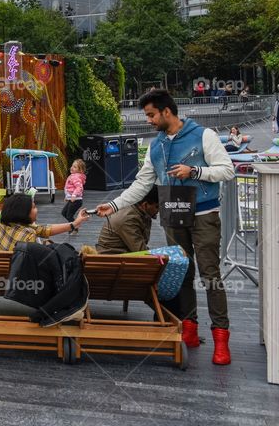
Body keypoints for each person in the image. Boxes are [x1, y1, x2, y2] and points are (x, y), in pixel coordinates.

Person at [95, 88, 235, 365]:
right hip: (172, 216)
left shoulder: (203, 135)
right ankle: (188, 328)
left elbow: (227, 169)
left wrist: (195, 172)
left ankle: (221, 339)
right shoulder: (156, 146)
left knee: (210, 274)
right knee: (182, 271)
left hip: (204, 214)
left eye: (150, 115)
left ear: (166, 112)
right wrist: (113, 206)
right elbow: (142, 183)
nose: (148, 120)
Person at [0, 192, 91, 251]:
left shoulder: (3, 224)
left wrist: (75, 223)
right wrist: (47, 244)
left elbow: (44, 230)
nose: (37, 210)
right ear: (24, 213)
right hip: (16, 281)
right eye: (34, 207)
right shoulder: (28, 235)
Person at [95, 186, 160, 254]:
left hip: (122, 254)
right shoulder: (129, 219)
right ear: (145, 205)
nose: (159, 210)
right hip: (113, 258)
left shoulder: (140, 211)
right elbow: (141, 251)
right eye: (157, 207)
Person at [60, 159, 86, 226]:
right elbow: (69, 188)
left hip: (76, 200)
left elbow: (79, 187)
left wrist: (74, 195)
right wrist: (67, 197)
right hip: (72, 199)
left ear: (80, 171)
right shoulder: (73, 176)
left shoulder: (76, 177)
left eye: (75, 167)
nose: (72, 167)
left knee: (69, 215)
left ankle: (74, 227)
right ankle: (74, 225)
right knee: (64, 213)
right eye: (72, 166)